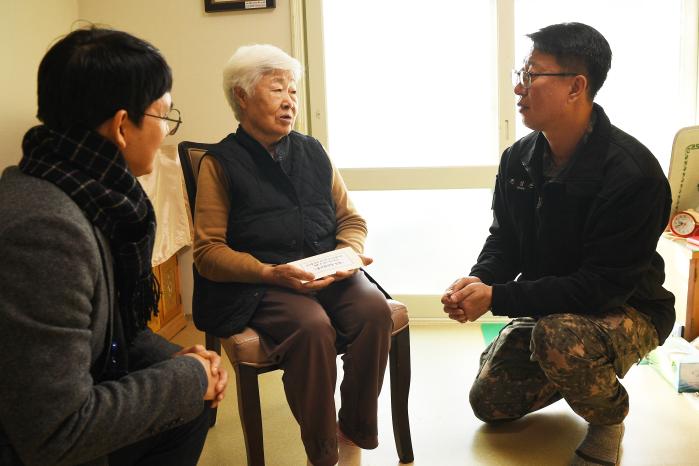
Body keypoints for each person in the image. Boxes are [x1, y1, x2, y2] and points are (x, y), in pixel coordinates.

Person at [442, 22, 674, 466]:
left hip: (627, 308)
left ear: (576, 87)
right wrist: (480, 278)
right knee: (489, 404)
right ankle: (563, 364)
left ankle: (607, 417)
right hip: (554, 305)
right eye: (521, 74)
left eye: (532, 75)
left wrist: (499, 298)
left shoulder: (632, 174)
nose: (518, 87)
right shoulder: (520, 158)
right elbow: (505, 238)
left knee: (558, 338)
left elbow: (600, 288)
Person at [0, 27, 228, 466]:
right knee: (188, 399)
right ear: (123, 126)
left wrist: (182, 359)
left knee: (191, 400)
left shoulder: (85, 193)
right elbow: (54, 433)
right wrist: (186, 379)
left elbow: (112, 338)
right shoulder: (46, 232)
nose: (166, 132)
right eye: (164, 116)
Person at [192, 44, 393, 466]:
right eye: (277, 89)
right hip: (262, 284)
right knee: (311, 327)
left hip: (327, 272)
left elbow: (352, 221)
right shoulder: (221, 162)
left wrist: (347, 255)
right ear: (242, 98)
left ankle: (353, 427)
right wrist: (270, 272)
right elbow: (208, 251)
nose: (290, 101)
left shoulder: (313, 152)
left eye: (294, 92)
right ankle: (322, 452)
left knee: (375, 310)